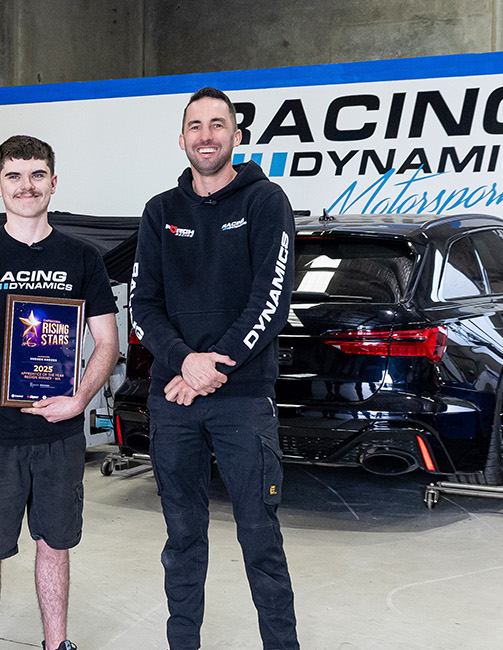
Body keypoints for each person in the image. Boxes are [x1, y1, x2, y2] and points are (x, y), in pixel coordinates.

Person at [129, 87, 299, 650]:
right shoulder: (159, 212)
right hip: (173, 400)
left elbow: (269, 302)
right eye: (196, 126)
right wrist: (186, 363)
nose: (206, 135)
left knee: (259, 538)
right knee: (182, 538)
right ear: (182, 140)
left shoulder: (265, 203)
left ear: (237, 136)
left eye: (218, 124)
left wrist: (211, 368)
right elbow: (143, 306)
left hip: (243, 401)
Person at [0, 135, 119, 650]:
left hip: (59, 430)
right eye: (14, 176)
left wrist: (80, 400)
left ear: (53, 182)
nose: (27, 185)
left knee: (55, 544)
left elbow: (106, 343)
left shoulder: (82, 257)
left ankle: (55, 644)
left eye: (37, 174)